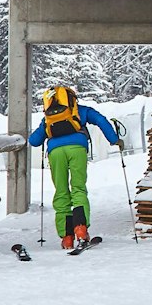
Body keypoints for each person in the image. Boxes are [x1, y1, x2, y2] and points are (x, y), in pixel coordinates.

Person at [26, 85, 122, 253]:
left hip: (55, 152)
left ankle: (67, 237)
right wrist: (114, 140)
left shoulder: (48, 118)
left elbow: (34, 141)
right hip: (78, 148)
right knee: (78, 189)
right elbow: (100, 120)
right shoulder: (80, 111)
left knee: (61, 192)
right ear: (72, 99)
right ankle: (81, 231)